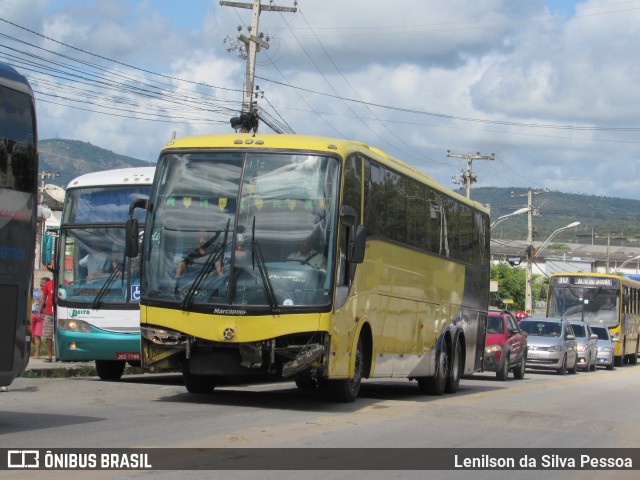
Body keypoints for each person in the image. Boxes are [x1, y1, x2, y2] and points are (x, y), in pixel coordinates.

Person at [38, 276, 55, 362]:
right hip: (49, 313)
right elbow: (43, 298)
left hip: (61, 312)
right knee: (48, 335)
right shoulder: (48, 284)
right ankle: (49, 356)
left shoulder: (66, 283)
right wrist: (39, 312)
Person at [30, 277, 47, 359]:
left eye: (43, 282)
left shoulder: (47, 293)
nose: (41, 284)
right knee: (30, 335)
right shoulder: (35, 291)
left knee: (37, 335)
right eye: (41, 282)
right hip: (32, 314)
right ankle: (38, 348)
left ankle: (37, 353)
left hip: (41, 316)